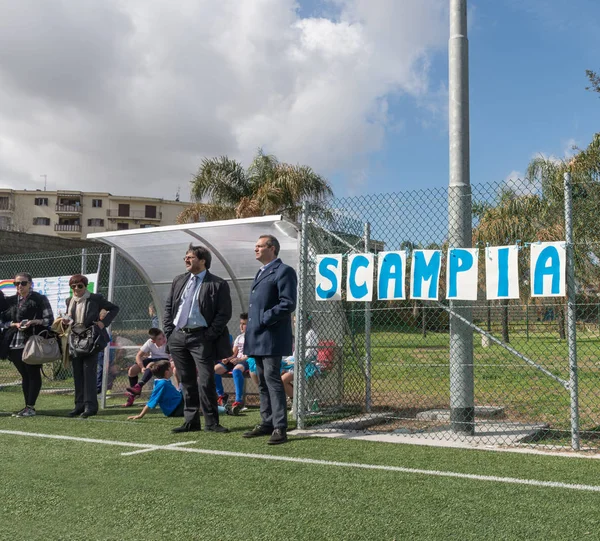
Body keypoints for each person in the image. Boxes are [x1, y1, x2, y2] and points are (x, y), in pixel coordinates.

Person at [163, 244, 232, 434]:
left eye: (191, 257)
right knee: (186, 380)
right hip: (178, 336)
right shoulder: (179, 280)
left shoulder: (218, 284)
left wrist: (209, 335)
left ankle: (212, 422)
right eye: (185, 257)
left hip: (201, 337)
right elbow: (169, 307)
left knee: (206, 380)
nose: (186, 259)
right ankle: (191, 421)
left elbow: (224, 313)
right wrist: (169, 332)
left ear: (203, 261)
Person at [243, 235, 297, 445]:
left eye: (259, 246)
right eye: (255, 245)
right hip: (257, 335)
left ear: (272, 248)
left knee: (273, 379)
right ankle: (267, 422)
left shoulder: (284, 271)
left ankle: (280, 427)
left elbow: (288, 303)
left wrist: (265, 318)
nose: (255, 249)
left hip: (271, 335)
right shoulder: (261, 272)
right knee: (262, 380)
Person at [63, 273, 119, 418]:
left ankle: (90, 406)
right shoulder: (69, 300)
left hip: (91, 339)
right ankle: (78, 405)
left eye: (79, 286)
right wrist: (64, 321)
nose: (76, 289)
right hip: (75, 339)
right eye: (73, 286)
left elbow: (114, 309)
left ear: (85, 286)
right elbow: (70, 318)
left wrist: (103, 323)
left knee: (89, 373)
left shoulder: (95, 299)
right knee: (77, 374)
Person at [0, 273, 54, 417]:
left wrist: (34, 322)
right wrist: (13, 324)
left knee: (33, 373)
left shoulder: (39, 299)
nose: (20, 286)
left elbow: (49, 319)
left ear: (30, 284)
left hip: (32, 341)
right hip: (13, 343)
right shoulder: (9, 301)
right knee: (25, 375)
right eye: (16, 284)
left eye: (23, 283)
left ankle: (30, 406)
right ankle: (27, 406)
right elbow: (2, 322)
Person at [127, 360, 232, 421]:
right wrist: (140, 415)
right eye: (170, 367)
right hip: (176, 409)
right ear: (167, 371)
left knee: (195, 396)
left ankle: (219, 407)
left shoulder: (163, 382)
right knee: (197, 402)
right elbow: (151, 402)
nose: (172, 368)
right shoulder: (162, 384)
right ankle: (225, 410)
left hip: (178, 404)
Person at [124, 327, 169, 407]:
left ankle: (138, 386)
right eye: (159, 339)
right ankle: (133, 395)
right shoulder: (149, 342)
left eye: (163, 336)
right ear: (153, 341)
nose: (163, 339)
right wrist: (142, 367)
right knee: (132, 370)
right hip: (152, 359)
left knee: (151, 365)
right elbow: (138, 356)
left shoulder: (168, 340)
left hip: (164, 360)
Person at [214, 313, 249, 415]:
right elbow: (233, 353)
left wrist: (239, 359)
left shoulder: (253, 337)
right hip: (236, 360)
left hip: (246, 360)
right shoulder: (239, 337)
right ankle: (222, 396)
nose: (241, 326)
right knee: (214, 370)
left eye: (244, 324)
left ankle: (238, 401)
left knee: (236, 370)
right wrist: (227, 358)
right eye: (240, 323)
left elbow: (252, 354)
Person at [281, 315, 320, 400]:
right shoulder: (300, 333)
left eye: (297, 321)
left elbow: (309, 354)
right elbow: (296, 353)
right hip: (296, 362)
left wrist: (296, 360)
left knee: (282, 380)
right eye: (294, 322)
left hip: (307, 364)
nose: (295, 324)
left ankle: (295, 401)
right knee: (279, 372)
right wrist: (289, 360)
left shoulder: (311, 334)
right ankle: (295, 400)